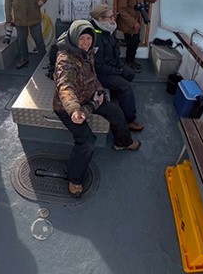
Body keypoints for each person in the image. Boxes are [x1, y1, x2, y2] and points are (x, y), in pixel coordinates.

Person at [52, 20, 140, 197]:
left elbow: (92, 76)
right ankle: (74, 179)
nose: (86, 43)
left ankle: (123, 142)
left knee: (116, 112)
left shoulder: (88, 52)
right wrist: (74, 109)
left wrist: (99, 92)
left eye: (88, 38)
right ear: (74, 38)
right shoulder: (65, 60)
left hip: (91, 97)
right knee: (87, 141)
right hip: (69, 107)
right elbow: (65, 87)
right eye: (81, 38)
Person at [89, 3, 143, 132]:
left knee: (130, 73)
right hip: (99, 74)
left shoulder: (107, 30)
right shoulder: (96, 37)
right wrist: (117, 71)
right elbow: (98, 66)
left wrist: (120, 67)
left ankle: (117, 94)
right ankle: (129, 120)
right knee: (126, 87)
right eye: (110, 17)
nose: (113, 20)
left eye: (113, 16)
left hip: (111, 67)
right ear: (101, 19)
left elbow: (115, 53)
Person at [4, 0, 51, 69]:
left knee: (39, 40)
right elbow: (7, 0)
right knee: (21, 41)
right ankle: (24, 59)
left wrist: (42, 0)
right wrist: (9, 18)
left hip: (34, 17)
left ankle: (44, 61)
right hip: (19, 19)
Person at [115, 0, 158, 70]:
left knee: (134, 42)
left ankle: (131, 61)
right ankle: (128, 63)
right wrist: (133, 23)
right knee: (133, 42)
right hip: (128, 22)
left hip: (136, 20)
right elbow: (121, 9)